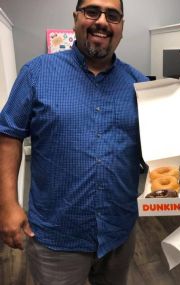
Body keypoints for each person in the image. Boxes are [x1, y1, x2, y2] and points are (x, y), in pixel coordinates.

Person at [0, 0, 148, 284]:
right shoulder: (37, 74)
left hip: (119, 231)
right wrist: (7, 204)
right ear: (76, 18)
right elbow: (8, 134)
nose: (102, 21)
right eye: (92, 11)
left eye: (113, 15)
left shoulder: (137, 83)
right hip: (57, 237)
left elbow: (155, 147)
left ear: (121, 27)